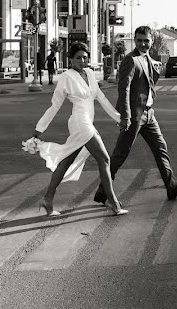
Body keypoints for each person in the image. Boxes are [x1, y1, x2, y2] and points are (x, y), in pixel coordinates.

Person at [93, 25, 177, 204]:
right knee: (120, 155)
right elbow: (123, 89)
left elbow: (148, 83)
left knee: (160, 149)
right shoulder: (130, 60)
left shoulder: (149, 58)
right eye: (139, 40)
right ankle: (102, 191)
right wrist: (125, 116)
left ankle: (171, 187)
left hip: (149, 114)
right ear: (135, 40)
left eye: (146, 40)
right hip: (134, 116)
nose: (142, 44)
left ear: (151, 41)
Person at [30, 42, 128, 217]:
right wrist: (39, 130)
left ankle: (47, 199)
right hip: (79, 122)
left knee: (66, 162)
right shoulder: (66, 77)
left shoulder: (90, 73)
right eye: (78, 58)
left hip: (87, 122)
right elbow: (55, 106)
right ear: (71, 59)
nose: (82, 60)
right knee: (104, 159)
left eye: (85, 57)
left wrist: (119, 118)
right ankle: (113, 202)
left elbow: (101, 97)